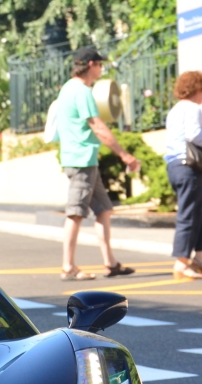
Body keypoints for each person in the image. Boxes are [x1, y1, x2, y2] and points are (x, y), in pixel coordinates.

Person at [55, 46, 140, 281]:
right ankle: (68, 267)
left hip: (84, 160)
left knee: (104, 210)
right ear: (91, 65)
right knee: (75, 213)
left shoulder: (67, 89)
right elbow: (98, 126)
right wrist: (125, 155)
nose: (102, 68)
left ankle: (110, 263)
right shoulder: (82, 91)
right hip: (81, 160)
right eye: (100, 64)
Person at [164, 71, 202, 280]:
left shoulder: (175, 110)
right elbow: (195, 136)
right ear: (196, 89)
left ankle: (199, 258)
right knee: (189, 214)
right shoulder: (193, 108)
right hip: (189, 167)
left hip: (175, 165)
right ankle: (181, 262)